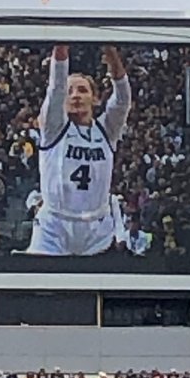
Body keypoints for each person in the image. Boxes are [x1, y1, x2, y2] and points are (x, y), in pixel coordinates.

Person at [24, 45, 132, 256]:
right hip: (54, 225)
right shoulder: (54, 127)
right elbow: (56, 87)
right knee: (41, 286)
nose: (75, 96)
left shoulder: (106, 130)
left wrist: (110, 51)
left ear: (96, 98)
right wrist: (62, 42)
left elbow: (123, 99)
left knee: (98, 287)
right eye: (70, 91)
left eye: (82, 90)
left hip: (96, 227)